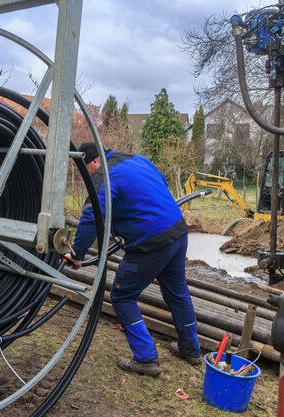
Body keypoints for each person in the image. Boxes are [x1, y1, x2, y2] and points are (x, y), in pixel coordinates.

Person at [64, 141, 201, 377]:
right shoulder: (137, 159)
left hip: (151, 243)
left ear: (95, 161)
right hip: (177, 232)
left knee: (122, 295)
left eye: (86, 169)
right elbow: (161, 183)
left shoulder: (105, 176)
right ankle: (190, 349)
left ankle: (146, 358)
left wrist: (77, 254)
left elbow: (91, 217)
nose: (87, 176)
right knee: (177, 293)